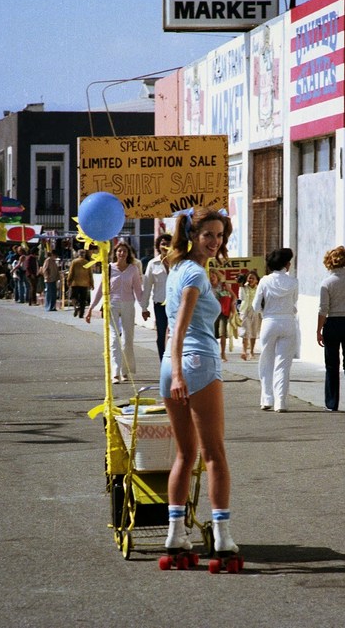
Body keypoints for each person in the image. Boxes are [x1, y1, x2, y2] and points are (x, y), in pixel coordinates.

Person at [160, 207, 238, 557]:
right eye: (208, 235)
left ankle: (176, 533)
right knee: (214, 456)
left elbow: (171, 328)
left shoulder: (177, 269)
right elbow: (179, 328)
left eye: (220, 236)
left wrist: (172, 370)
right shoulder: (193, 274)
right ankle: (222, 537)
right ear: (192, 235)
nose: (215, 241)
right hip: (197, 363)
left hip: (170, 364)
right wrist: (179, 373)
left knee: (185, 454)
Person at [85, 241, 143, 384]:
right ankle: (115, 373)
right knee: (114, 339)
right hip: (112, 305)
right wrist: (91, 308)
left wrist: (145, 308)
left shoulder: (133, 269)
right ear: (115, 253)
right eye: (119, 251)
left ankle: (125, 371)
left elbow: (138, 291)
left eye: (124, 251)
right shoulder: (109, 268)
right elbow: (100, 290)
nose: (121, 254)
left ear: (128, 254)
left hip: (128, 305)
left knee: (127, 340)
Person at [316, 245, 345, 412]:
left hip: (333, 324)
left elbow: (323, 309)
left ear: (329, 262)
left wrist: (318, 330)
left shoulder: (327, 283)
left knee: (331, 364)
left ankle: (332, 402)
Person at [252, 248, 299, 413]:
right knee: (283, 365)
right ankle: (281, 402)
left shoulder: (264, 281)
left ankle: (267, 398)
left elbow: (256, 306)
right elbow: (294, 304)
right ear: (287, 264)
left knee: (266, 362)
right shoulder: (293, 282)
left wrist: (265, 311)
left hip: (269, 322)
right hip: (288, 322)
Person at [141, 233, 172, 362]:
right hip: (160, 305)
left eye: (168, 244)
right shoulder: (153, 264)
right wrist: (144, 308)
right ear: (158, 246)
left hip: (177, 304)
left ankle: (177, 363)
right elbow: (147, 286)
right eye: (163, 244)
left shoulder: (178, 262)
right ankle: (163, 363)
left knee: (177, 334)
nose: (165, 246)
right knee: (161, 335)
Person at [209, 269, 236, 362]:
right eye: (209, 277)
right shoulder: (206, 287)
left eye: (213, 276)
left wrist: (232, 306)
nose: (211, 278)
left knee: (222, 333)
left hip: (222, 312)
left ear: (217, 276)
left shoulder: (224, 285)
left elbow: (234, 296)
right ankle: (213, 353)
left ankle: (223, 353)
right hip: (210, 313)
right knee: (211, 334)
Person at [238, 270, 261, 360]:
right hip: (245, 311)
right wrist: (242, 285)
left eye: (253, 278)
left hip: (256, 312)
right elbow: (241, 298)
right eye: (249, 278)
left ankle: (251, 351)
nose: (251, 279)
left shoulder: (259, 288)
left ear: (256, 280)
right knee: (245, 332)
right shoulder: (243, 288)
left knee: (254, 332)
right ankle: (244, 351)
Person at [67, 249, 94, 318]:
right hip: (85, 283)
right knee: (83, 299)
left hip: (75, 283)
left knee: (73, 297)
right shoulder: (87, 262)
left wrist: (69, 280)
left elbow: (71, 272)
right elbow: (90, 274)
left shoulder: (74, 262)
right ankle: (81, 313)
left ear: (78, 254)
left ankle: (76, 306)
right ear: (84, 255)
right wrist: (92, 283)